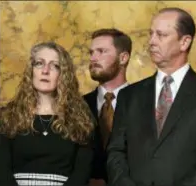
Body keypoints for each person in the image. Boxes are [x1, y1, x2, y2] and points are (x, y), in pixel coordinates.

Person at [107, 7, 196, 186]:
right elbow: (115, 152)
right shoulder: (129, 95)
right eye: (150, 34)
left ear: (184, 42)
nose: (151, 41)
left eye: (161, 35)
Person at [0, 41, 95, 186]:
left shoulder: (81, 119)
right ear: (31, 70)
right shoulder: (8, 115)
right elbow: (2, 170)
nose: (45, 70)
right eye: (39, 63)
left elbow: (81, 173)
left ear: (64, 74)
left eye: (55, 66)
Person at [84, 28, 132, 186]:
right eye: (91, 53)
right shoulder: (77, 106)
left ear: (123, 58)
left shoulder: (145, 102)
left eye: (101, 51)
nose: (93, 58)